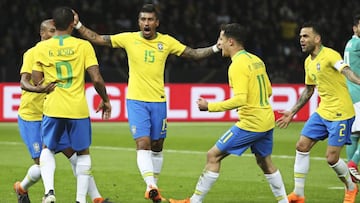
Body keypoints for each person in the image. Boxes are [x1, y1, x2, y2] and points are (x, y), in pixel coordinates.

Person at [73, 4, 220, 202]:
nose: (146, 23)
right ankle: (151, 186)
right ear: (139, 22)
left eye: (150, 19)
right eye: (143, 19)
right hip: (136, 100)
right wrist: (78, 25)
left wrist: (216, 48)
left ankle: (155, 190)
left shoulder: (166, 42)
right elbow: (98, 39)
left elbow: (193, 54)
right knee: (143, 143)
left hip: (158, 101)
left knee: (158, 145)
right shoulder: (129, 38)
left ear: (157, 22)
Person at [169, 23, 288, 203]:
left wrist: (210, 106)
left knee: (213, 155)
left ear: (231, 42)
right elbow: (269, 90)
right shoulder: (256, 59)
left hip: (251, 123)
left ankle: (194, 201)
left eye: (221, 39)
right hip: (266, 120)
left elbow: (240, 99)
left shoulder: (237, 65)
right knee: (265, 162)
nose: (219, 44)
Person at [14, 19, 113, 203]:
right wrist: (39, 89)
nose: (54, 34)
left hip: (52, 113)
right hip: (32, 117)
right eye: (50, 31)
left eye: (55, 30)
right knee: (40, 165)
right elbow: (24, 82)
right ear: (42, 33)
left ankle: (97, 198)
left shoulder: (62, 51)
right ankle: (22, 187)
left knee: (76, 158)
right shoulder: (33, 53)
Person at [276, 21, 360, 203]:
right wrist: (292, 111)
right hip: (323, 112)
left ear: (317, 38)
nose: (301, 40)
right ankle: (298, 193)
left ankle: (351, 188)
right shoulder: (308, 62)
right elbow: (308, 90)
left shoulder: (330, 55)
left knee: (331, 158)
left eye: (305, 36)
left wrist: (359, 81)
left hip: (341, 112)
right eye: (300, 37)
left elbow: (346, 71)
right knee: (301, 146)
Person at [344, 14, 360, 183]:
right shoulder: (358, 44)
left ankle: (351, 181)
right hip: (359, 92)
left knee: (355, 134)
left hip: (351, 93)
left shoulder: (350, 43)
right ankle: (353, 164)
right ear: (355, 28)